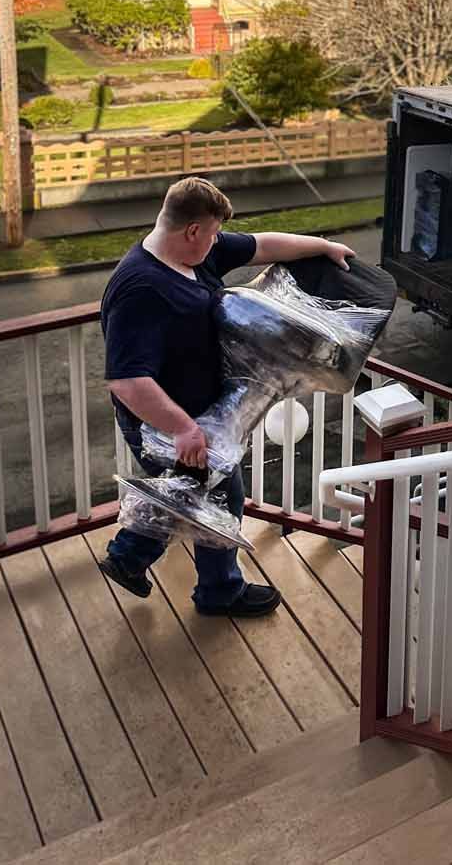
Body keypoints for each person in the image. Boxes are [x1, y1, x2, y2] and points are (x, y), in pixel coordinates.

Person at [98, 176, 355, 616]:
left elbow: (261, 246)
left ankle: (129, 558)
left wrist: (322, 246)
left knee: (193, 491)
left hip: (206, 410)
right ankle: (217, 591)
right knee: (216, 492)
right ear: (191, 230)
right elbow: (127, 381)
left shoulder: (197, 251)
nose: (219, 242)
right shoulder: (140, 289)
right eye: (213, 233)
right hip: (167, 420)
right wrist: (183, 429)